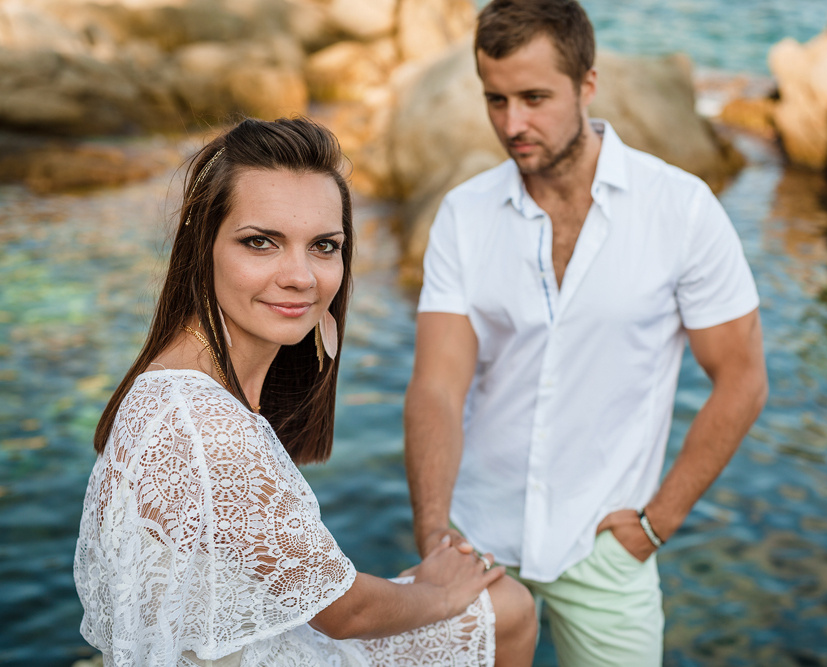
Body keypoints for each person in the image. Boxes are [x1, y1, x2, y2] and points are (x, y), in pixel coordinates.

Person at [74, 117, 536, 667]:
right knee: (505, 604)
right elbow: (344, 613)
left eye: (323, 246)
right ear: (205, 244)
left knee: (494, 601)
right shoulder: (205, 426)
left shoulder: (176, 377)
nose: (301, 276)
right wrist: (437, 593)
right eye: (260, 243)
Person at [404, 0, 769, 664]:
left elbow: (742, 376)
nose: (513, 124)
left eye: (535, 98)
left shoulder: (681, 209)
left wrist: (659, 522)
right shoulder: (463, 215)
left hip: (604, 547)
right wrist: (433, 533)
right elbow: (436, 384)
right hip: (475, 541)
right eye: (496, 100)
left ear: (588, 84)